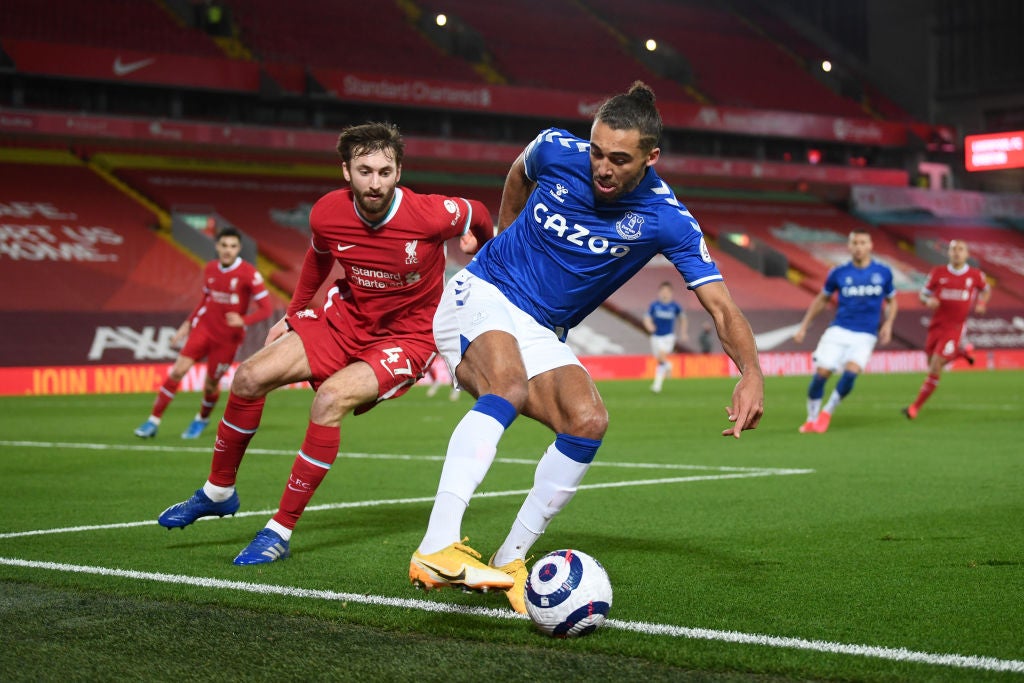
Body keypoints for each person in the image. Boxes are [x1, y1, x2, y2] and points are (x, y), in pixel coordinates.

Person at [409, 82, 764, 612]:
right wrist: (504, 233)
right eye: (597, 151)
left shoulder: (667, 218)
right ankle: (436, 545)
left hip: (540, 327)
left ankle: (509, 561)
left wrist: (751, 372)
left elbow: (721, 306)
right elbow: (518, 171)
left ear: (651, 158)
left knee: (587, 419)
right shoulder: (555, 149)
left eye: (619, 159)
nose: (602, 167)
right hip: (481, 291)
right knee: (505, 383)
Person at [156, 122, 494, 565]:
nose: (376, 182)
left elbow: (480, 213)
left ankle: (279, 530)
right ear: (346, 172)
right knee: (248, 377)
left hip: (406, 337)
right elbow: (318, 258)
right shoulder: (327, 213)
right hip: (344, 319)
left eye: (385, 171)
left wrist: (480, 247)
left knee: (330, 399)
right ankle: (219, 491)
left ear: (399, 172)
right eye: (365, 170)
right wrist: (294, 315)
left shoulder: (431, 214)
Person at [134, 227, 273, 440]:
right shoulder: (210, 269)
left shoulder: (249, 274)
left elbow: (266, 308)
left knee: (210, 385)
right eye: (224, 245)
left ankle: (201, 419)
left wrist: (244, 320)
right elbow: (205, 300)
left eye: (233, 246)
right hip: (204, 329)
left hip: (228, 339)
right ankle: (152, 421)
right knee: (177, 371)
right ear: (217, 246)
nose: (228, 250)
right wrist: (187, 324)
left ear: (239, 248)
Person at [793, 229, 897, 433]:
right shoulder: (838, 272)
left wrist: (888, 323)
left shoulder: (883, 272)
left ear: (870, 245)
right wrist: (804, 326)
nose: (859, 247)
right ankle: (811, 418)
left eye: (863, 242)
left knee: (851, 373)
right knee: (822, 373)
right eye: (855, 243)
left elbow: (892, 301)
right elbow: (822, 299)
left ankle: (827, 412)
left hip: (865, 335)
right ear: (849, 247)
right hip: (839, 331)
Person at [903, 239, 989, 419]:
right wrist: (928, 301)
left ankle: (914, 407)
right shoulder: (938, 273)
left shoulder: (975, 275)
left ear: (967, 254)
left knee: (935, 367)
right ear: (948, 253)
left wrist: (981, 302)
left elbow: (985, 289)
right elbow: (923, 295)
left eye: (961, 249)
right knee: (931, 364)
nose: (957, 252)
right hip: (936, 326)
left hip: (955, 328)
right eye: (953, 249)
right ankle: (961, 353)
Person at [643, 281, 688, 392]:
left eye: (667, 291)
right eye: (663, 291)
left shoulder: (675, 306)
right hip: (655, 337)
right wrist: (649, 326)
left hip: (668, 337)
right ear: (659, 292)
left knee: (662, 357)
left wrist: (683, 332)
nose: (665, 293)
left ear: (671, 293)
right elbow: (647, 317)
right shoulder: (655, 305)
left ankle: (657, 384)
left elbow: (683, 319)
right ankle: (666, 369)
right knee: (660, 360)